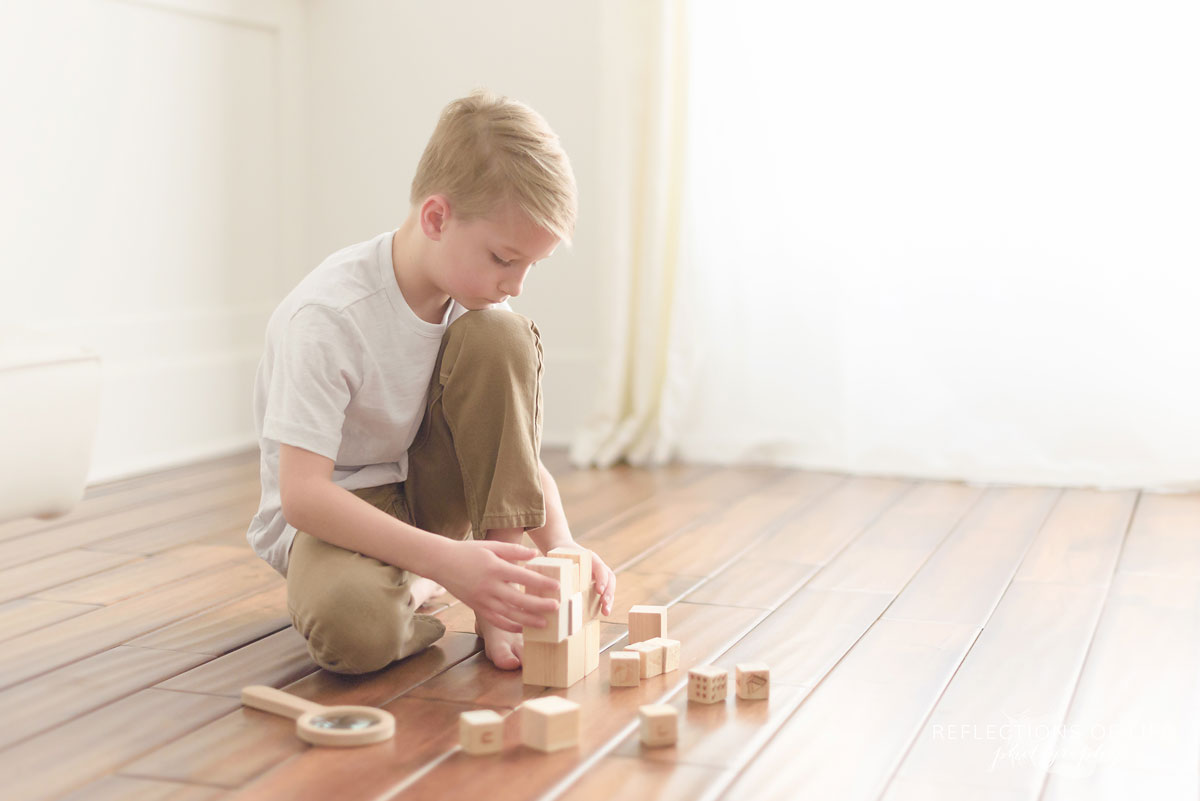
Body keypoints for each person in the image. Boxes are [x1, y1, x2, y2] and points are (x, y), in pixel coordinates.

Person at [245, 89, 616, 674]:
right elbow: (303, 497)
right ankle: (421, 584)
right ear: (437, 217)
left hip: (423, 492)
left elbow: (507, 454)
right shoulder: (328, 317)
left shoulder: (474, 307)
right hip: (338, 512)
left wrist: (561, 545)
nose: (515, 284)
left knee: (504, 335)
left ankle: (499, 597)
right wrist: (446, 562)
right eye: (503, 259)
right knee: (354, 632)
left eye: (529, 267)